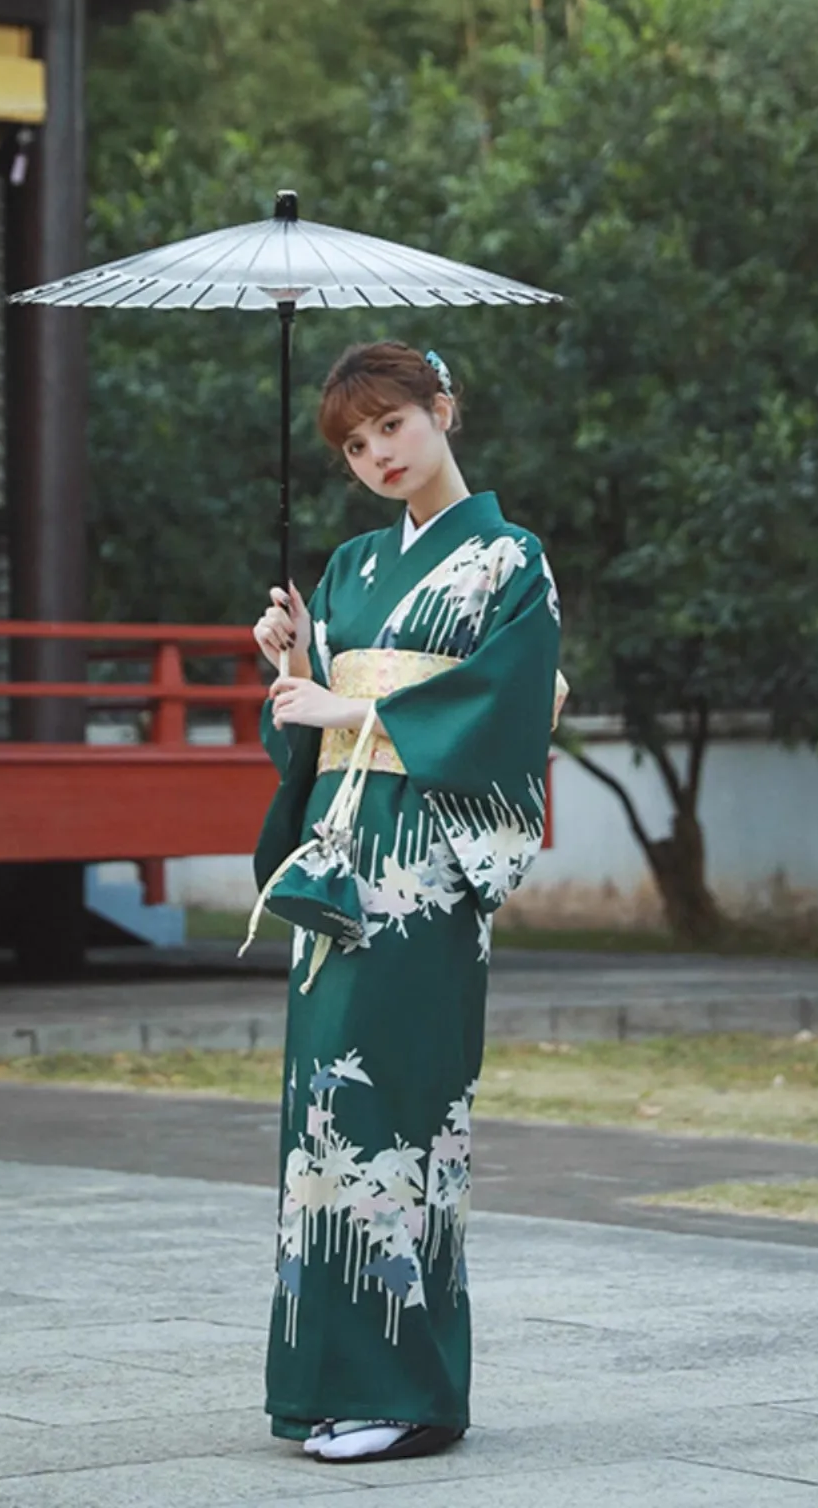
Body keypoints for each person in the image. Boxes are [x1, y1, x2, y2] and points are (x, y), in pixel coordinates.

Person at [249, 340, 562, 1465]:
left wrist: (348, 708)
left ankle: (409, 1389)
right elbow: (308, 726)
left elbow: (511, 708)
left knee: (400, 1115)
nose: (377, 451)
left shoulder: (510, 561)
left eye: (392, 423)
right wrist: (286, 663)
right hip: (340, 858)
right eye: (353, 441)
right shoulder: (344, 572)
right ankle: (327, 1382)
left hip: (424, 871)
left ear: (444, 409)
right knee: (323, 1120)